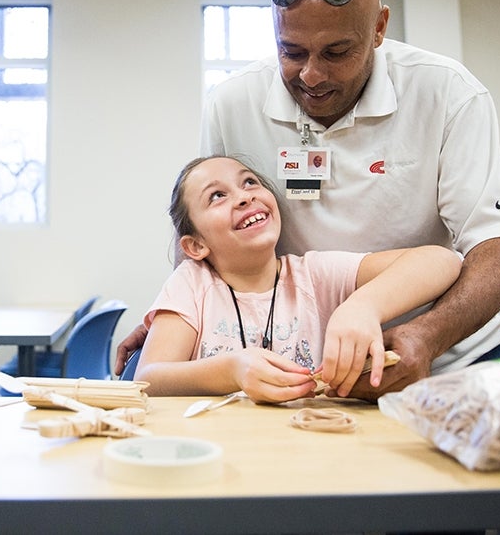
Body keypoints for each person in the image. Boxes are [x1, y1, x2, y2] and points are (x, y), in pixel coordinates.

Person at [117, 0, 500, 399]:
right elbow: (201, 239)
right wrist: (178, 323)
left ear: (378, 29)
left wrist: (426, 335)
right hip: (312, 373)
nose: (311, 76)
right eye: (291, 52)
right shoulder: (232, 102)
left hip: (443, 355)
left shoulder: (448, 92)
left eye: (337, 52)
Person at [135, 156, 461, 401]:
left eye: (249, 182)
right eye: (216, 196)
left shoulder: (313, 275)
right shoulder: (192, 283)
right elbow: (148, 380)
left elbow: (441, 260)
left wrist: (363, 307)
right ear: (196, 245)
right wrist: (232, 369)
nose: (245, 196)